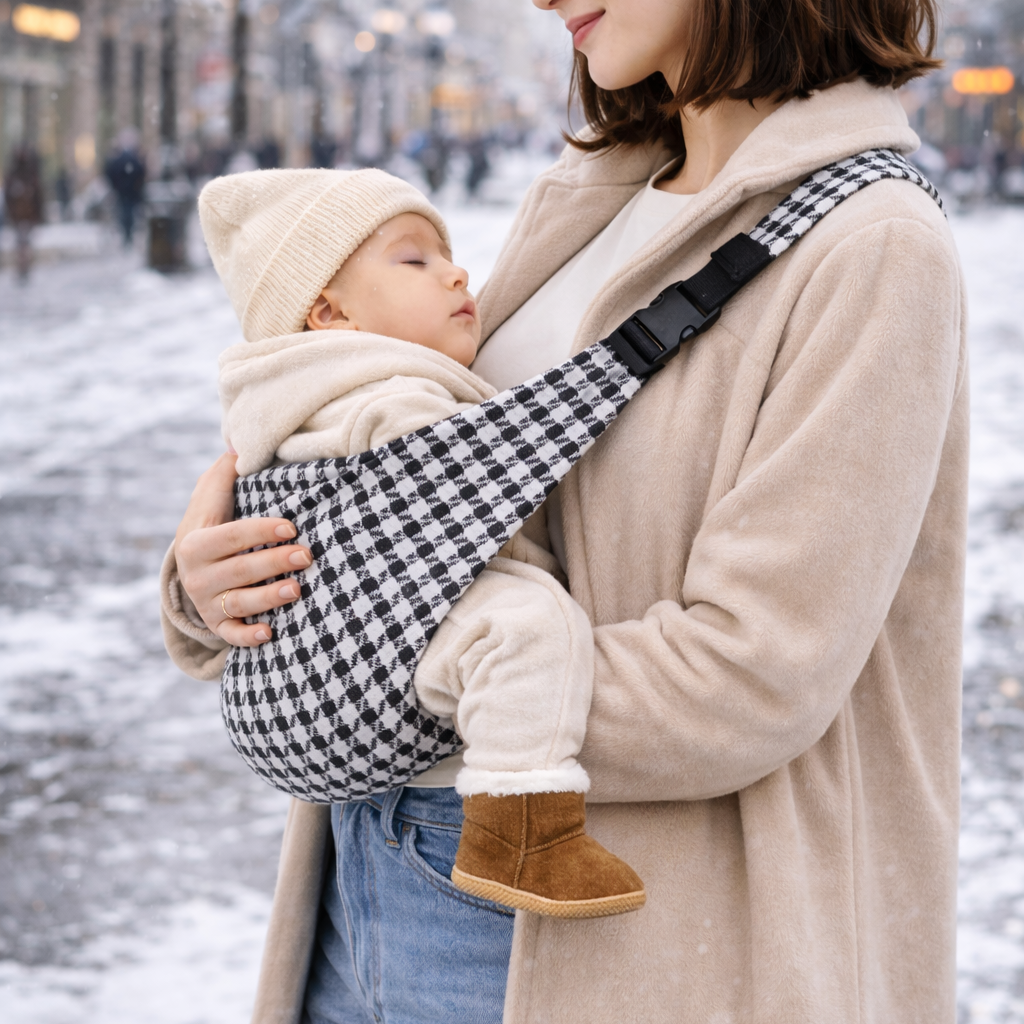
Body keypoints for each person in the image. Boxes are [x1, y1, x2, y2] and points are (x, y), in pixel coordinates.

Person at [166, 0, 966, 1021]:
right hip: (355, 882)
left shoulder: (869, 245)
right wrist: (222, 581)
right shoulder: (595, 193)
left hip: (588, 928)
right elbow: (416, 477)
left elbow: (753, 671)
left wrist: (374, 669)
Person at [164, 166, 645, 917]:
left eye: (446, 254)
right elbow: (458, 481)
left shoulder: (288, 395)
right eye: (414, 259)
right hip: (413, 638)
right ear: (328, 310)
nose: (457, 273)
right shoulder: (389, 390)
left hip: (342, 668)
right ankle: (520, 828)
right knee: (524, 629)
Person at [4, 145, 43, 282]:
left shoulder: (29, 175)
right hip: (19, 216)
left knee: (24, 243)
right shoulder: (16, 175)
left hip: (26, 216)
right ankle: (22, 268)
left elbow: (38, 197)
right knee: (22, 243)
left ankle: (25, 268)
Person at [104, 129, 147, 246]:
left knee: (125, 214)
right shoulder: (133, 159)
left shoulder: (120, 159)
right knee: (128, 214)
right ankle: (127, 235)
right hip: (129, 192)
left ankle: (127, 235)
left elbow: (110, 173)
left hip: (125, 192)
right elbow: (141, 173)